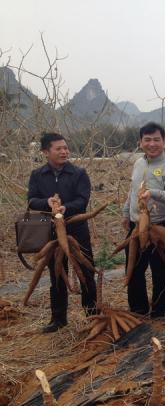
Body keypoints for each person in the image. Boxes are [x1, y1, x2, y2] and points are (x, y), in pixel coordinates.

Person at [27, 132, 97, 332]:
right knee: (57, 273)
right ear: (46, 152)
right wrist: (46, 203)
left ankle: (92, 314)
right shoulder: (38, 175)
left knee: (86, 271)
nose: (64, 151)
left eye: (65, 148)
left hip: (76, 231)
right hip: (51, 232)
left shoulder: (78, 173)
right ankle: (58, 319)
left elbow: (82, 200)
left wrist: (66, 208)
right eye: (59, 148)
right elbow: (31, 200)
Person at [122, 122, 165, 318]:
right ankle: (138, 309)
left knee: (160, 270)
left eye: (157, 139)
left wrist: (153, 193)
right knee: (134, 269)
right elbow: (132, 191)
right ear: (140, 142)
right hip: (136, 225)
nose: (152, 144)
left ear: (164, 142)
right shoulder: (139, 163)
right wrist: (126, 212)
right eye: (147, 140)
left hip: (160, 226)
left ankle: (158, 311)